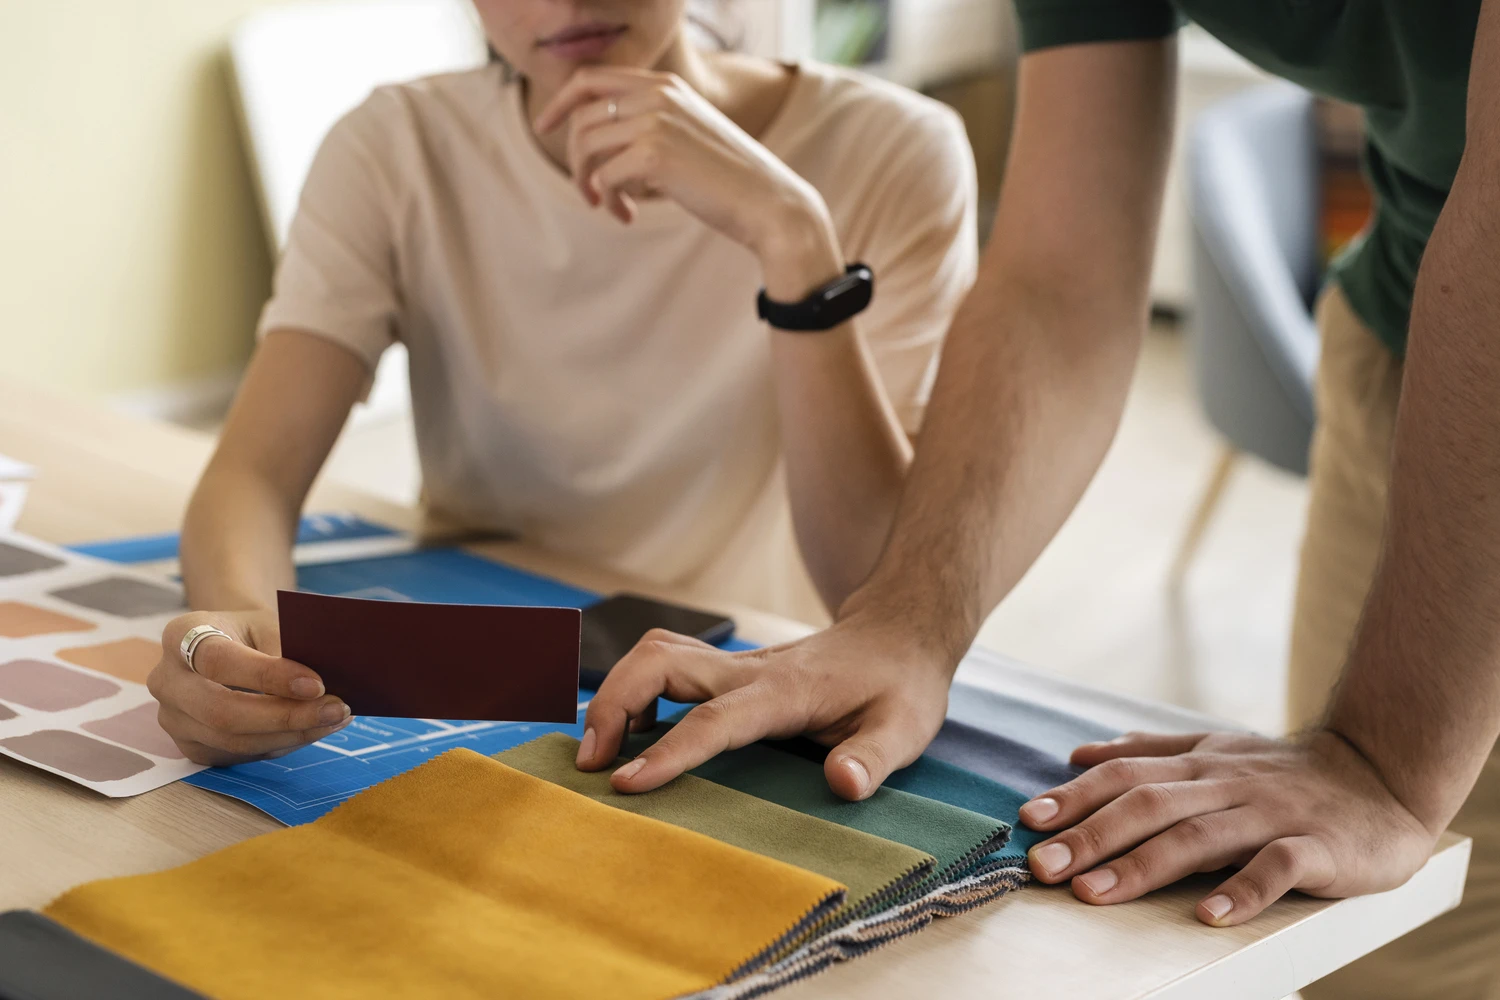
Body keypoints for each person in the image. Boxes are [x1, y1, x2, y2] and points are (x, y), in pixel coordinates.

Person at [581, 1, 1500, 995]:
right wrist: (905, 620)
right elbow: (1062, 277)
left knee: (1445, 937)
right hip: (1417, 337)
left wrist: (1390, 760)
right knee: (1365, 954)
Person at [145, 0, 977, 764]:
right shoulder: (395, 144)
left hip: (739, 687)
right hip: (471, 673)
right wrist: (232, 632)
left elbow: (872, 585)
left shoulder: (898, 148)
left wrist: (792, 236)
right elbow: (253, 470)